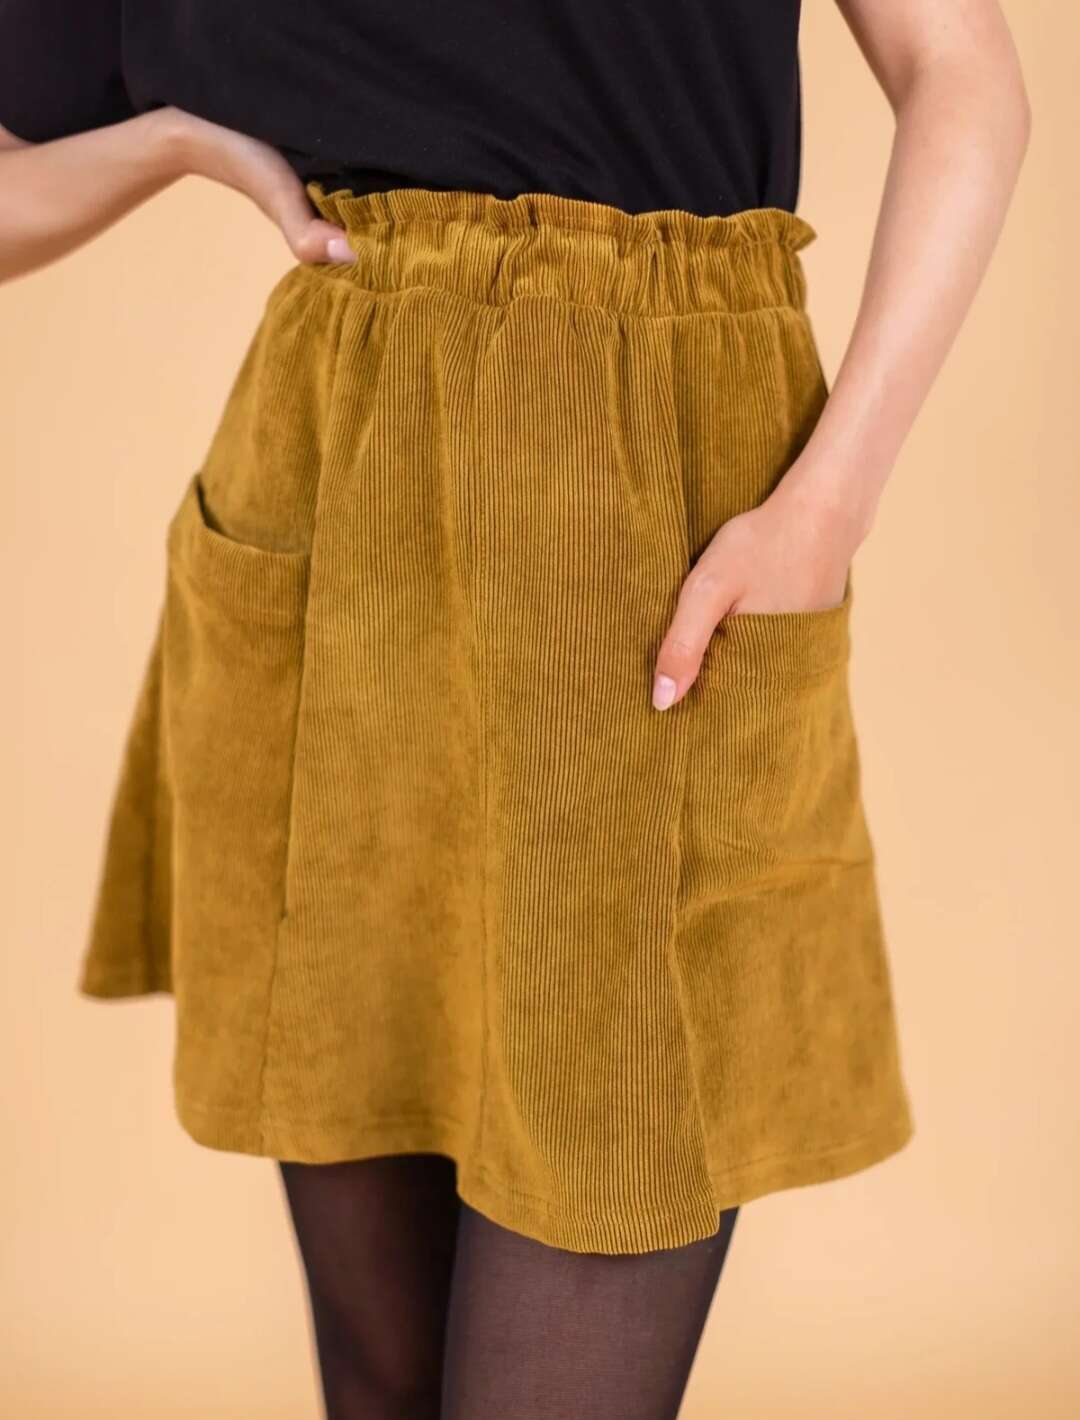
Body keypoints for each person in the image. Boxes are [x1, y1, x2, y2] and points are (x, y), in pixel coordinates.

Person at [1, 3, 1030, 1417]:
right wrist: (171, 141)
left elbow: (959, 66)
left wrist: (832, 503)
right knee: (381, 1380)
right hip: (339, 512)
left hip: (655, 534)